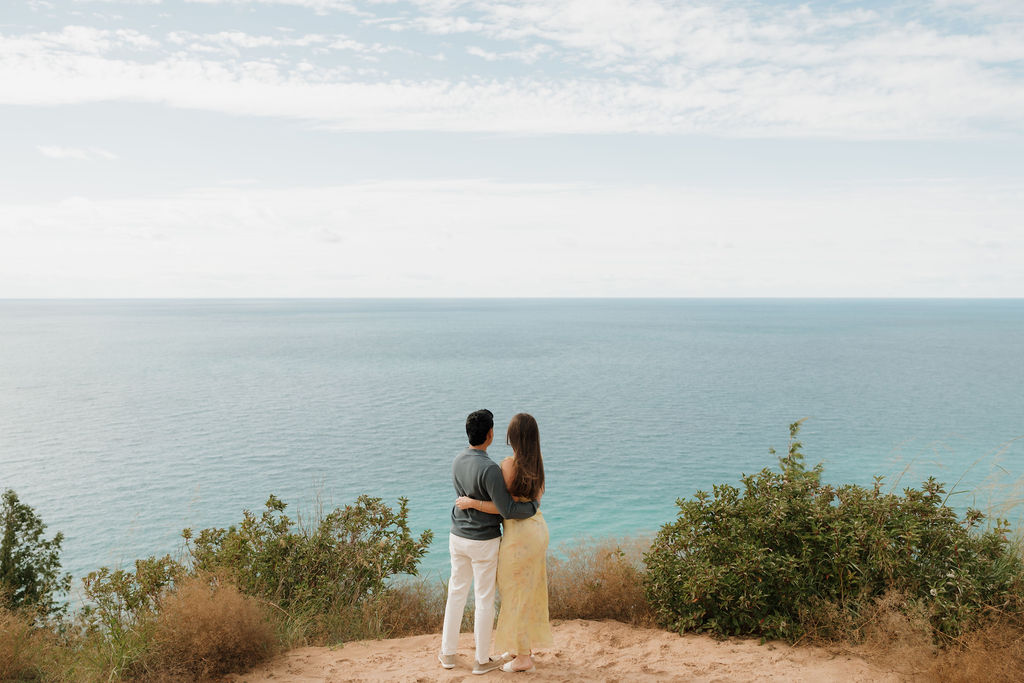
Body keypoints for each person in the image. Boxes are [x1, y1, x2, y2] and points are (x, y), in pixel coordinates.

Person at [439, 409, 539, 675]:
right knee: (483, 598)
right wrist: (531, 509)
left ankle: (447, 654)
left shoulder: (457, 460)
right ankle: (481, 660)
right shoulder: (491, 469)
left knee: (456, 593)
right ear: (491, 435)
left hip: (457, 535)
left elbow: (463, 497)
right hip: (483, 540)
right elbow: (505, 508)